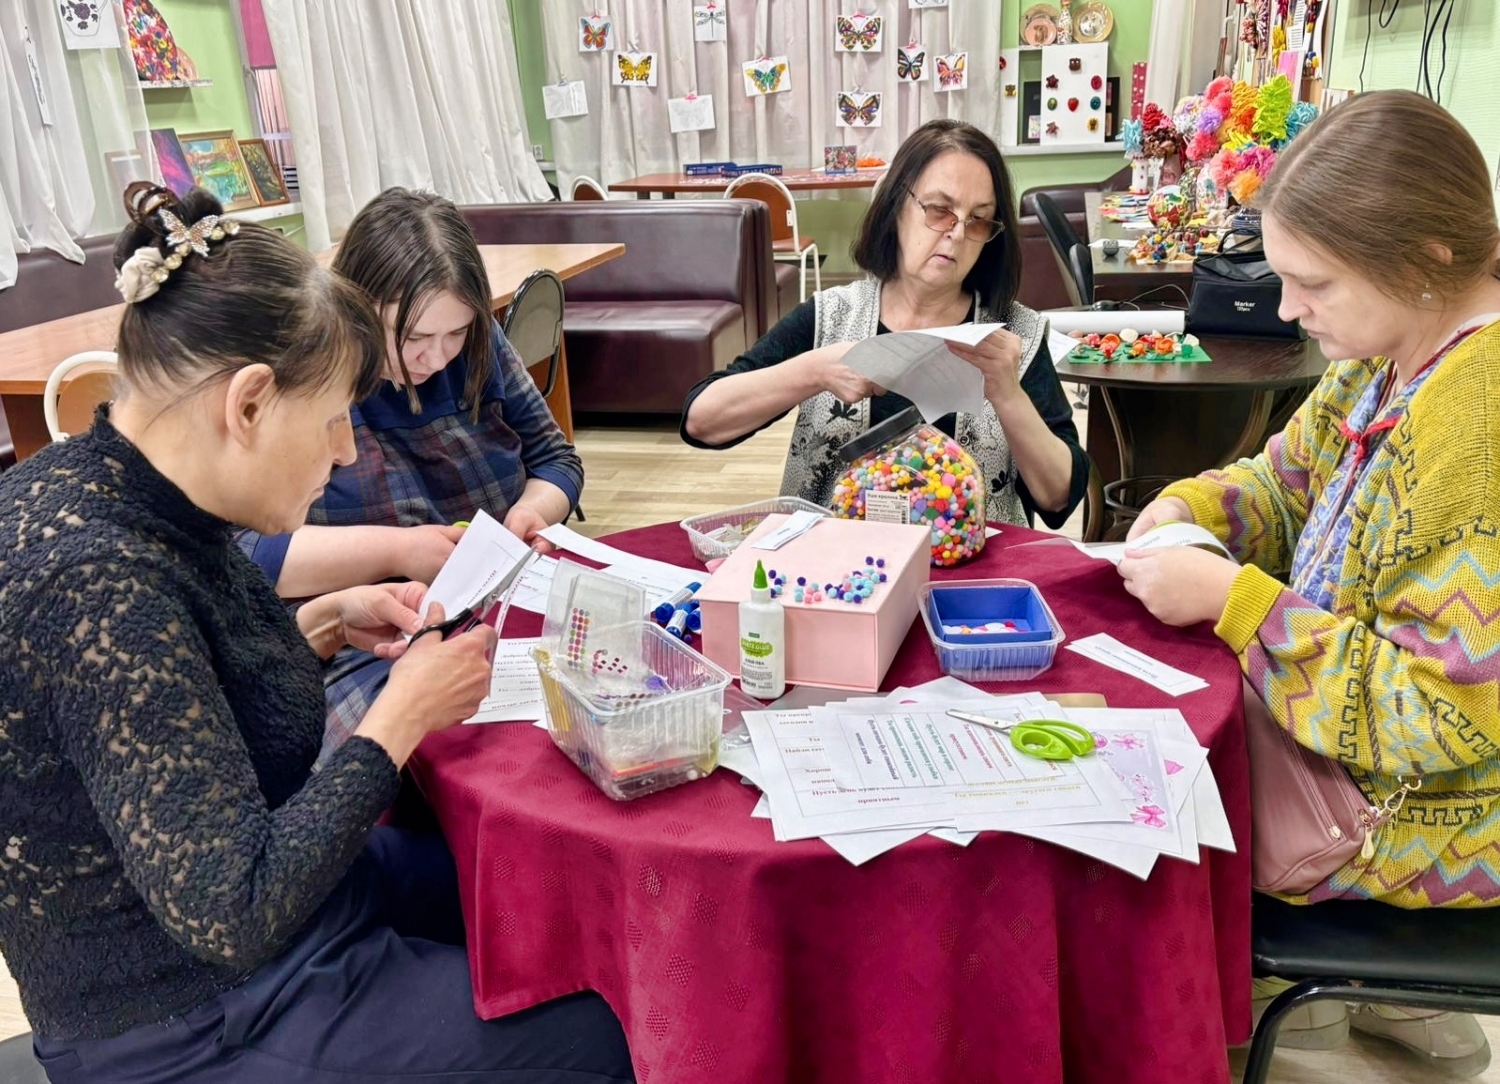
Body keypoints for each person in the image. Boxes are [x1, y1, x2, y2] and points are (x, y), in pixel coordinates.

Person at [0, 184, 634, 1084]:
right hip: (196, 1010)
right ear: (249, 404)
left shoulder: (128, 488)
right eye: (336, 417)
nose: (345, 451)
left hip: (287, 918)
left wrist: (325, 623)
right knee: (606, 1033)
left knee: (559, 897)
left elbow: (185, 719)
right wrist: (399, 719)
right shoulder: (97, 581)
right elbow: (232, 906)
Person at [1117, 91, 1500, 1076]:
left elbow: (1444, 719)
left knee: (1138, 781)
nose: (1287, 310)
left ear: (1424, 257)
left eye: (1312, 282)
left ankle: (1228, 1014)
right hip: (1364, 758)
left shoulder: (1477, 425)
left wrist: (1236, 604)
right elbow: (1286, 484)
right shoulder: (1389, 355)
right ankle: (1389, 1010)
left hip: (1432, 816)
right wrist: (1194, 507)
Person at [237, 187, 585, 754]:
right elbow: (244, 555)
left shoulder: (480, 345)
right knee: (464, 759)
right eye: (414, 337)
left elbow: (555, 458)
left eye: (456, 333)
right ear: (353, 308)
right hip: (365, 637)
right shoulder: (302, 375)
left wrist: (531, 512)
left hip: (493, 612)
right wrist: (399, 551)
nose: (436, 358)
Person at [680, 119, 1088, 530]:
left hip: (973, 566)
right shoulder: (832, 316)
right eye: (939, 210)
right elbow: (702, 421)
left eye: (978, 219)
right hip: (833, 564)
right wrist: (816, 370)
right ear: (896, 207)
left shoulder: (1013, 335)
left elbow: (1058, 499)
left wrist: (1008, 394)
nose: (958, 233)